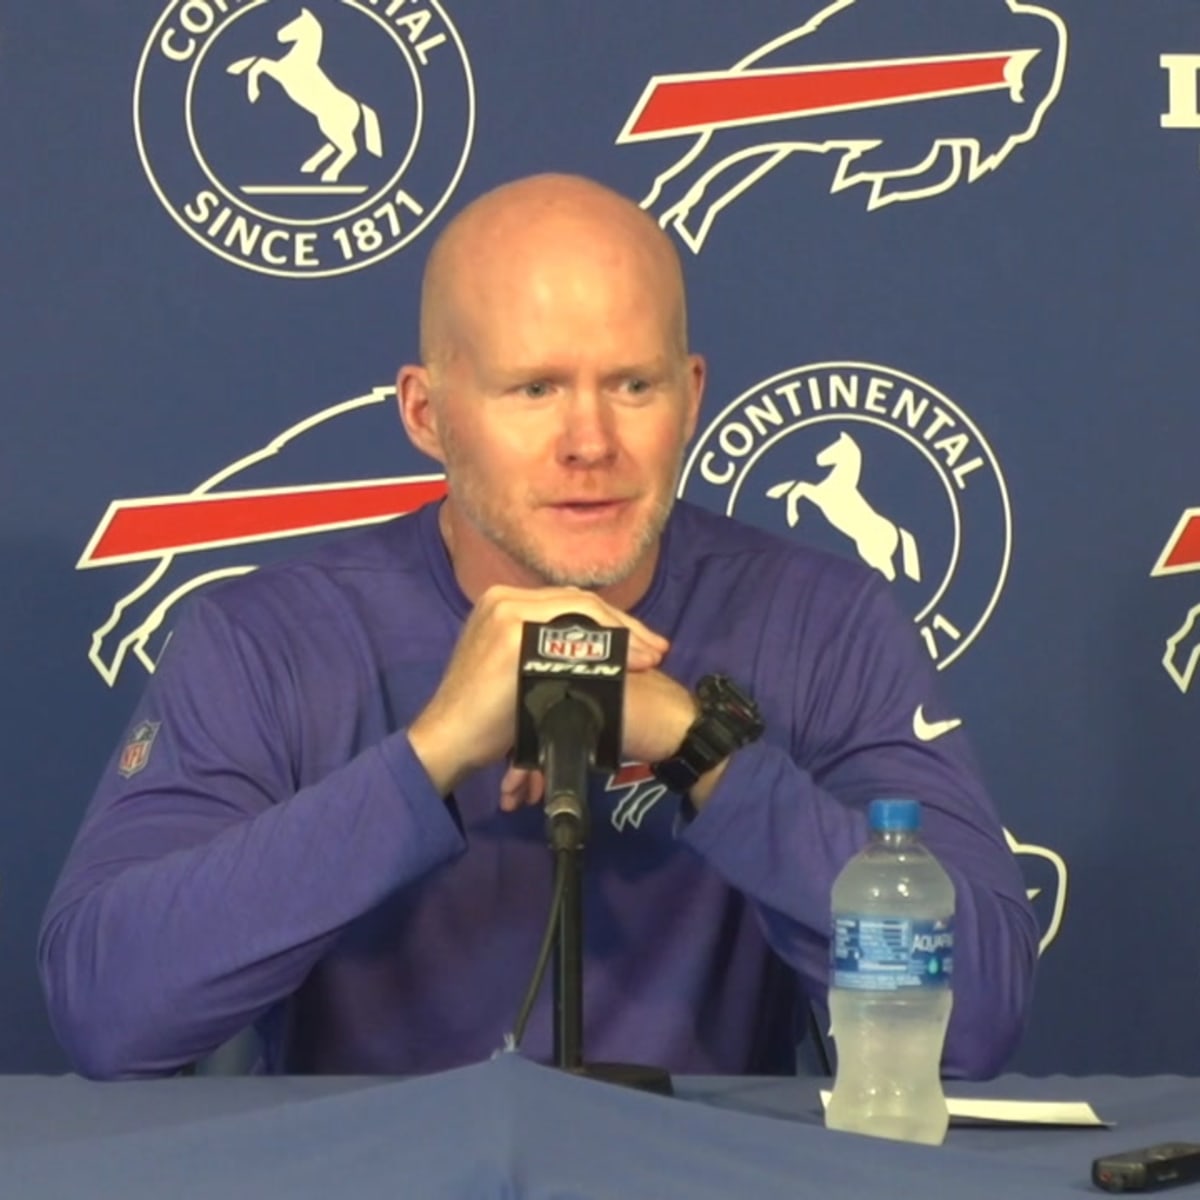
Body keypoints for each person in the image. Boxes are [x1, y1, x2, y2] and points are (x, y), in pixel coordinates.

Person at [38, 174, 1038, 1080]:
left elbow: (979, 1017)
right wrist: (432, 754)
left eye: (632, 386)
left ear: (691, 397)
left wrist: (699, 748)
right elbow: (107, 1011)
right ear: (427, 414)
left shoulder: (821, 621)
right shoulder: (267, 642)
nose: (590, 443)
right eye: (534, 390)